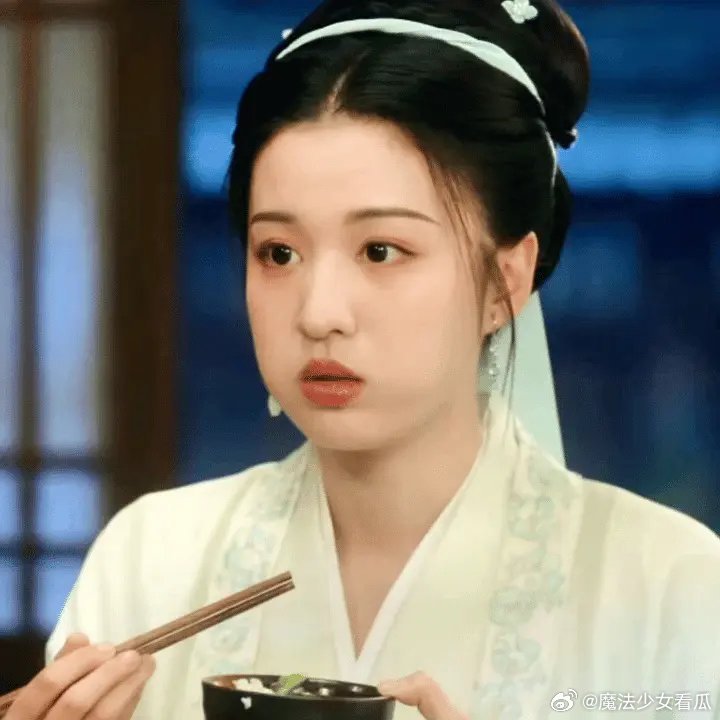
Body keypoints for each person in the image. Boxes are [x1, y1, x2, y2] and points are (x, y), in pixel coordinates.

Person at [6, 1, 720, 719]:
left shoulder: (670, 586)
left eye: (381, 250)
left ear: (506, 281)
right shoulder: (151, 559)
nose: (318, 313)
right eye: (278, 253)